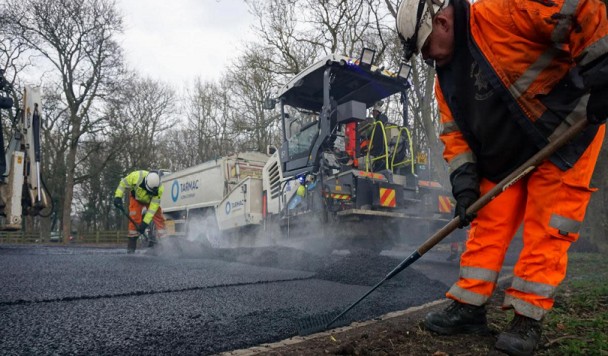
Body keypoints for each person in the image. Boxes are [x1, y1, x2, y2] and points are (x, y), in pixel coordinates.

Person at [396, 0, 607, 354]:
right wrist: (464, 185)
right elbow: (454, 136)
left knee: (548, 225)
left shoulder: (502, 12)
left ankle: (527, 317)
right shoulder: (444, 83)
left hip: (564, 131)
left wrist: (601, 70)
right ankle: (470, 307)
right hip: (505, 154)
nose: (429, 58)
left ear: (442, 21)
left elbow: (580, 5)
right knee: (487, 223)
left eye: (427, 47)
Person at [113, 170, 166, 253]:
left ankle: (165, 243)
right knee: (134, 219)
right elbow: (123, 183)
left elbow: (152, 209)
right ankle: (131, 248)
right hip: (136, 199)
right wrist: (118, 196)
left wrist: (145, 223)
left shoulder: (159, 189)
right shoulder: (136, 176)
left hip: (150, 201)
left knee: (159, 218)